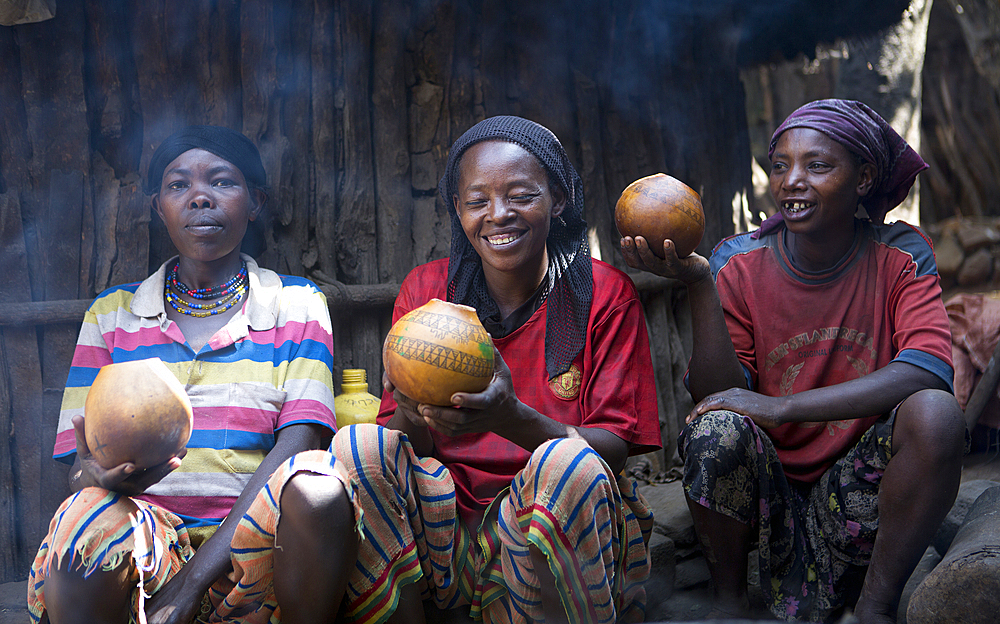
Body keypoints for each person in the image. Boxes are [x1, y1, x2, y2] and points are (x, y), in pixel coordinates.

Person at [621, 99, 967, 623]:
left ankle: (874, 607)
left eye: (818, 166)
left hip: (861, 487)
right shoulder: (736, 261)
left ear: (865, 178)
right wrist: (699, 284)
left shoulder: (899, 253)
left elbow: (927, 367)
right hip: (768, 492)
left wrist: (781, 407)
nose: (792, 181)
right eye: (780, 166)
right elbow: (714, 393)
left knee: (938, 415)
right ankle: (728, 604)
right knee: (715, 429)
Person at [331, 116, 662, 624]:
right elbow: (402, 444)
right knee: (357, 446)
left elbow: (613, 449)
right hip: (444, 536)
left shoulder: (605, 296)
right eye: (477, 201)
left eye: (520, 195)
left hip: (555, 529)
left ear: (559, 198)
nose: (498, 215)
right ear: (458, 211)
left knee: (568, 464)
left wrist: (508, 418)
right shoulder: (427, 297)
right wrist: (415, 413)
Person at [28, 125, 359, 624]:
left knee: (319, 489)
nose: (200, 197)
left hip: (258, 550)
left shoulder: (296, 305)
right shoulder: (111, 316)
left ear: (255, 202)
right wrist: (91, 479)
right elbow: (79, 471)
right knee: (85, 517)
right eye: (178, 185)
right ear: (158, 206)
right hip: (145, 547)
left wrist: (189, 585)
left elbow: (303, 444)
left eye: (222, 182)